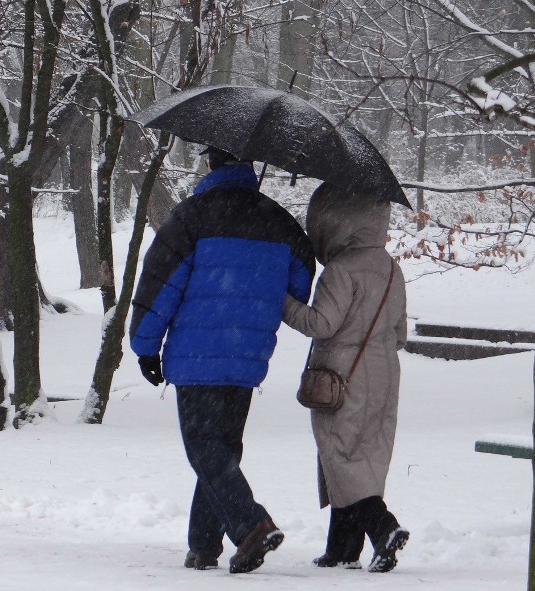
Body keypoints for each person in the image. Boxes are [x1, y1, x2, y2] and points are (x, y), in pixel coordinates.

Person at [129, 147, 315, 574]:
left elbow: (160, 284)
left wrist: (145, 347)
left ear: (210, 164)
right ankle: (203, 546)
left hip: (197, 356)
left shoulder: (191, 217)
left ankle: (252, 525)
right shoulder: (280, 223)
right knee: (222, 450)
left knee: (204, 448)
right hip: (248, 355)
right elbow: (300, 281)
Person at [282, 182, 409, 573]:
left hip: (342, 375)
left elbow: (321, 324)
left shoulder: (340, 270)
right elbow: (400, 334)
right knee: (363, 456)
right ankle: (343, 548)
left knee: (339, 455)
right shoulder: (391, 268)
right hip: (385, 373)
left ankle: (382, 526)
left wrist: (283, 303)